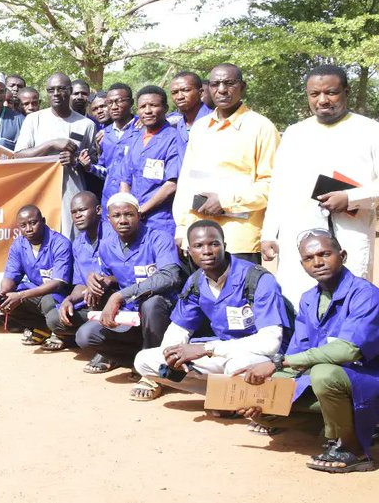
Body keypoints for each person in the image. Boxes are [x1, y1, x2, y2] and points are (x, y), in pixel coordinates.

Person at [236, 230, 379, 473]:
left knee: (324, 373)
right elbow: (298, 353)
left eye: (325, 254)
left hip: (366, 380)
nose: (318, 262)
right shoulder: (308, 299)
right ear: (303, 264)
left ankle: (353, 448)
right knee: (265, 394)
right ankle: (333, 428)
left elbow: (348, 350)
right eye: (309, 258)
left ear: (342, 255)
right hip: (331, 386)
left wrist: (281, 362)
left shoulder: (366, 294)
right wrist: (264, 391)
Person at [130, 220, 287, 402]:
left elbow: (270, 342)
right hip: (221, 351)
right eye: (198, 246)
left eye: (214, 244)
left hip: (258, 356)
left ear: (224, 246)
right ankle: (221, 395)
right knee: (144, 360)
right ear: (189, 251)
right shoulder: (196, 281)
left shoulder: (258, 279)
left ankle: (231, 399)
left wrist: (205, 349)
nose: (207, 251)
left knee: (238, 366)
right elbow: (180, 328)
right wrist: (172, 356)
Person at [262, 65, 379, 297]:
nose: (323, 100)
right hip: (297, 231)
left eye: (331, 92)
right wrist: (268, 233)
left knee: (349, 301)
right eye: (315, 94)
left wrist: (350, 198)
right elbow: (279, 187)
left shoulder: (370, 130)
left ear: (347, 92)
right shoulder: (295, 133)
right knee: (296, 299)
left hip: (349, 232)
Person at [173, 63, 279, 263]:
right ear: (208, 89)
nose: (221, 90)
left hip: (239, 239)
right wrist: (182, 227)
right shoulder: (200, 128)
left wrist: (225, 201)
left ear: (242, 87)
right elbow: (187, 180)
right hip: (199, 234)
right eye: (215, 84)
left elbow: (272, 184)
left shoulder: (261, 127)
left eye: (229, 83)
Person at [75, 193, 182, 374]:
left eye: (129, 214)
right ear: (109, 219)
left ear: (139, 215)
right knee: (85, 336)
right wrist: (98, 282)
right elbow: (114, 277)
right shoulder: (106, 246)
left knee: (152, 304)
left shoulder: (159, 238)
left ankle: (153, 373)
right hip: (130, 313)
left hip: (162, 313)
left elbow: (170, 276)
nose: (123, 220)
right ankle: (136, 360)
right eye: (116, 216)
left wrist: (120, 295)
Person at [14, 73, 97, 235]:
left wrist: (76, 161)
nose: (56, 93)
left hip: (72, 192)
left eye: (61, 89)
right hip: (40, 190)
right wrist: (51, 144)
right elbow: (19, 156)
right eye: (51, 90)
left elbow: (92, 162)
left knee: (70, 237)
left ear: (71, 91)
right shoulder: (33, 119)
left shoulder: (86, 124)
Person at [0, 205, 73, 341]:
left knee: (48, 301)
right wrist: (3, 292)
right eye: (23, 225)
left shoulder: (60, 243)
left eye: (33, 223)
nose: (29, 229)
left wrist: (20, 295)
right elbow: (11, 274)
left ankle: (62, 335)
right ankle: (43, 330)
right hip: (35, 291)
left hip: (60, 294)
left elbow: (58, 284)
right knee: (3, 300)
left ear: (43, 220)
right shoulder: (18, 245)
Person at [115, 86, 184, 237]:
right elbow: (125, 179)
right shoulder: (134, 139)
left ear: (165, 108)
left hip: (160, 220)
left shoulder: (174, 138)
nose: (147, 111)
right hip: (134, 221)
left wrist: (142, 210)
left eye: (153, 105)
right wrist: (128, 208)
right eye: (142, 107)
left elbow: (172, 184)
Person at [52, 192, 103, 348]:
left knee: (85, 336)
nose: (78, 216)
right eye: (74, 212)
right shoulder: (78, 244)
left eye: (82, 210)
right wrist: (70, 299)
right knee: (55, 318)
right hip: (91, 303)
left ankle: (110, 351)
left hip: (116, 299)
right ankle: (93, 333)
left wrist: (100, 284)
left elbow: (125, 276)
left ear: (98, 210)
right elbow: (80, 283)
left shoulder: (114, 235)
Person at [82, 82, 135, 210]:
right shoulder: (105, 134)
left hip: (135, 199)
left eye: (119, 102)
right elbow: (107, 171)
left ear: (131, 103)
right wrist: (89, 167)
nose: (114, 107)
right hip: (110, 200)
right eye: (110, 103)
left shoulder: (142, 127)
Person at [166, 71, 212, 141]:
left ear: (200, 92)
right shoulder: (178, 125)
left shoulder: (215, 121)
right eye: (174, 92)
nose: (179, 97)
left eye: (186, 90)